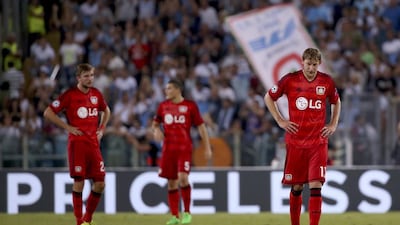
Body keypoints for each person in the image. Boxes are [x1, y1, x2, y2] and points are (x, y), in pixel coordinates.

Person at [264, 48, 341, 225]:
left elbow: (336, 101)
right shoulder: (290, 80)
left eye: (314, 65)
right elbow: (269, 97)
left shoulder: (326, 82)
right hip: (296, 142)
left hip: (317, 142)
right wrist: (280, 120)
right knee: (297, 186)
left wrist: (333, 124)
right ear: (302, 62)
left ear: (319, 64)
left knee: (316, 185)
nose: (311, 68)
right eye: (308, 64)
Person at [43, 63, 111, 225]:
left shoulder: (96, 94)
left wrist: (101, 129)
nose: (90, 79)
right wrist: (67, 127)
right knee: (79, 182)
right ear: (78, 78)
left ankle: (87, 219)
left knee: (100, 184)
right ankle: (79, 221)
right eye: (86, 76)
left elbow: (106, 110)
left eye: (92, 75)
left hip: (93, 145)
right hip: (77, 145)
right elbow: (48, 112)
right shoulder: (70, 95)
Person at [152, 78, 212, 225]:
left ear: (178, 90)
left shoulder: (190, 106)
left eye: (169, 88)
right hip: (168, 150)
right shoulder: (163, 106)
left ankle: (187, 213)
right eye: (166, 89)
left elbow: (201, 127)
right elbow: (155, 124)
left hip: (184, 148)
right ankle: (174, 216)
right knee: (171, 183)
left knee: (183, 178)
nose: (166, 91)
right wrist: (156, 131)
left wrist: (207, 147)